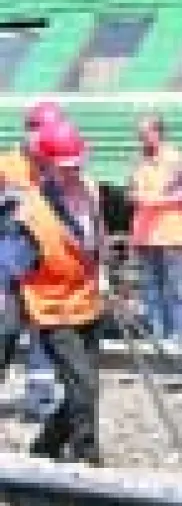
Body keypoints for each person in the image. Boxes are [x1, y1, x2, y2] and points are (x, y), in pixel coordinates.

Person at [0, 120, 105, 465]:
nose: (73, 173)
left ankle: (46, 446)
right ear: (46, 165)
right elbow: (10, 264)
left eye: (77, 165)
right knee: (84, 387)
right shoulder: (31, 212)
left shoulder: (89, 191)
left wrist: (103, 276)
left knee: (85, 389)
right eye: (65, 168)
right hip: (54, 311)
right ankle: (87, 458)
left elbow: (93, 242)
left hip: (87, 304)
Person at [0, 102, 64, 422]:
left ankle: (40, 399)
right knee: (6, 327)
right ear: (28, 131)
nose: (42, 138)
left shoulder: (60, 165)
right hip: (11, 259)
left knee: (45, 328)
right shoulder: (6, 164)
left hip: (48, 263)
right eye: (38, 130)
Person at [128, 113, 182, 342]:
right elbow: (131, 191)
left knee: (177, 288)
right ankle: (156, 335)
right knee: (150, 288)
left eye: (145, 133)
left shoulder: (177, 159)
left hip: (172, 234)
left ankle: (181, 336)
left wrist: (158, 200)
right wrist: (135, 196)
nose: (141, 138)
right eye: (139, 134)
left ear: (158, 133)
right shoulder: (138, 161)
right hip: (146, 235)